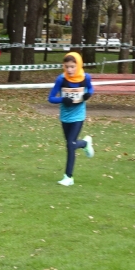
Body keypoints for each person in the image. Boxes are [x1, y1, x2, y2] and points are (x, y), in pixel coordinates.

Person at [47, 52, 95, 186]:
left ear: (78, 65)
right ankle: (85, 143)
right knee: (70, 145)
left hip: (78, 116)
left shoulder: (86, 78)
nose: (69, 70)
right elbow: (50, 98)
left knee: (70, 144)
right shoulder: (61, 79)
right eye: (67, 66)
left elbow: (91, 89)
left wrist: (87, 95)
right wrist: (63, 99)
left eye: (73, 66)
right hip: (65, 117)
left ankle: (68, 177)